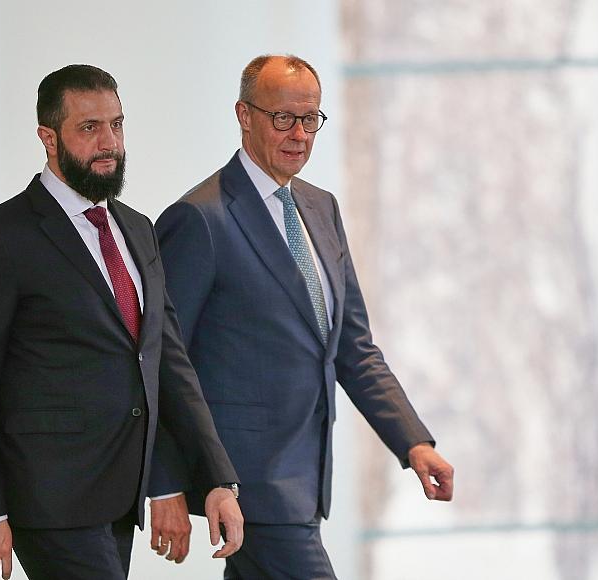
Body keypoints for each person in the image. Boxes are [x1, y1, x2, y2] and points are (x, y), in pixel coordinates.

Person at [148, 54, 454, 579]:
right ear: (244, 116)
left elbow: (352, 347)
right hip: (246, 482)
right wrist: (165, 485)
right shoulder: (199, 218)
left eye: (310, 118)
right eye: (283, 117)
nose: (299, 134)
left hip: (307, 477)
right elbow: (161, 362)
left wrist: (414, 442)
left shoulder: (321, 207)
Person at [0, 64, 243, 580]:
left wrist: (214, 478)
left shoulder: (138, 230)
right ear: (48, 138)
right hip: (46, 501)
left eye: (116, 125)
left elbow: (168, 364)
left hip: (120, 498)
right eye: (89, 128)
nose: (109, 143)